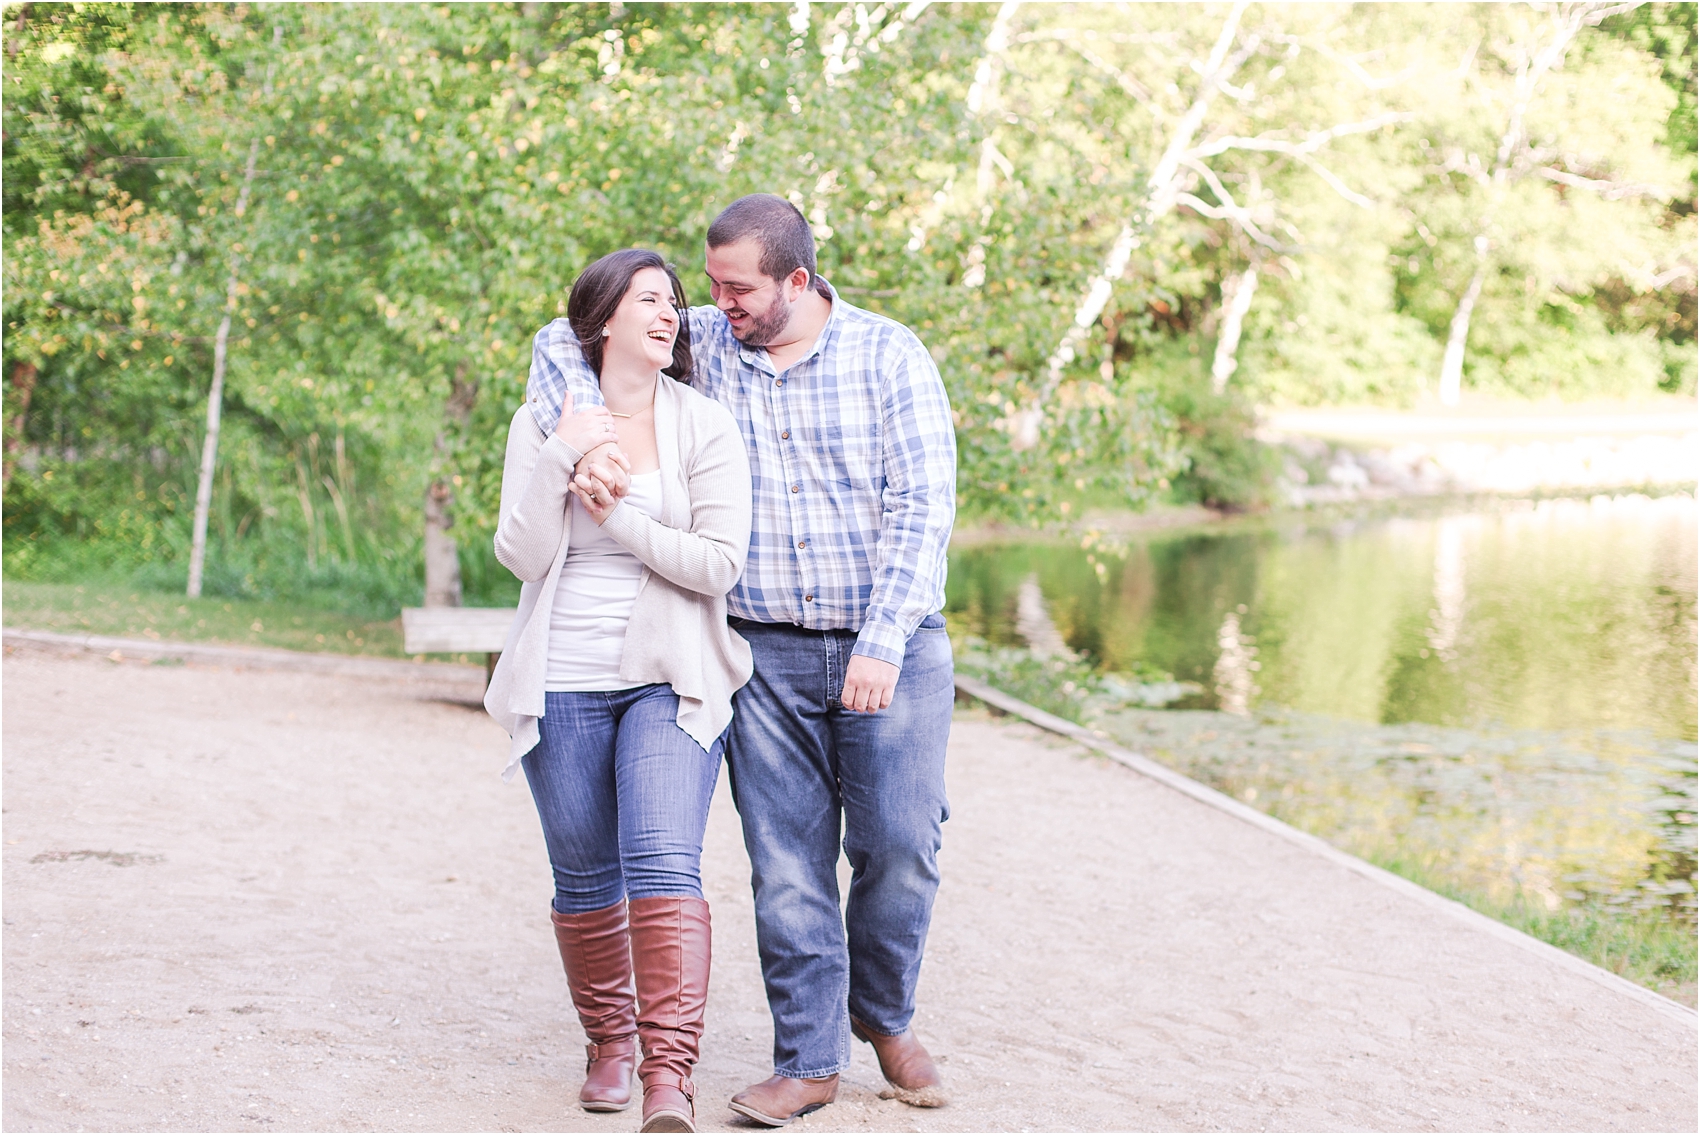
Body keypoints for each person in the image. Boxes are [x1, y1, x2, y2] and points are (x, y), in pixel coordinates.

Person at [526, 195, 958, 1126]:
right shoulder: (711, 343)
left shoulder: (890, 356)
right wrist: (584, 438)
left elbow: (923, 509)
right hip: (761, 648)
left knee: (901, 847)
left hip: (892, 641)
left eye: (736, 288)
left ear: (795, 282)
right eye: (708, 283)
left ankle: (882, 1016)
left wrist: (881, 643)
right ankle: (807, 1060)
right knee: (787, 861)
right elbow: (569, 337)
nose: (711, 303)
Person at [483, 248, 753, 1134]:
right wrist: (562, 453)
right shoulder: (545, 420)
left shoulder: (703, 423)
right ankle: (609, 1044)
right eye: (650, 298)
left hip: (669, 677)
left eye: (675, 301)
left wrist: (620, 516)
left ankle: (667, 1076)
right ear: (603, 320)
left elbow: (718, 564)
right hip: (560, 674)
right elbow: (519, 556)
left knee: (665, 862)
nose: (672, 311)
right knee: (583, 871)